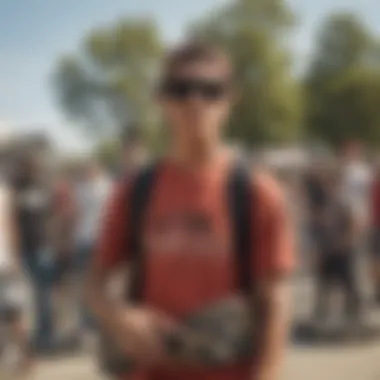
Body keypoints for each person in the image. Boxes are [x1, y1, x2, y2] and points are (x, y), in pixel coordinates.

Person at [86, 41, 294, 380]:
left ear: (230, 101)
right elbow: (95, 282)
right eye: (180, 89)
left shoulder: (258, 192)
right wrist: (118, 316)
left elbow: (276, 299)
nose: (195, 101)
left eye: (211, 90)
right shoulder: (134, 190)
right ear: (162, 100)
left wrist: (269, 373)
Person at [12, 148, 57, 353]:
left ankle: (47, 335)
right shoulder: (17, 187)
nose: (31, 168)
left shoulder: (43, 186)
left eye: (33, 164)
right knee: (28, 296)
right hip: (25, 248)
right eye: (28, 164)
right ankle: (39, 334)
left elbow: (52, 215)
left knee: (44, 293)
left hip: (43, 247)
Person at [314, 167, 361, 325]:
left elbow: (354, 223)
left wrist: (345, 242)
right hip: (328, 248)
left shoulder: (346, 202)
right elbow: (322, 225)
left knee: (349, 282)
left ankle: (354, 312)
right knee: (324, 282)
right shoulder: (327, 202)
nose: (330, 187)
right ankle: (322, 313)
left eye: (333, 184)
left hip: (343, 249)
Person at [0, 151, 33, 373]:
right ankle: (25, 358)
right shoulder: (4, 190)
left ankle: (25, 358)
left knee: (13, 313)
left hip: (5, 261)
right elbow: (12, 226)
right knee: (14, 312)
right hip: (6, 259)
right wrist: (16, 257)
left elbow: (11, 226)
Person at [74, 161, 112, 335]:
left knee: (100, 281)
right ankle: (91, 321)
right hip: (85, 240)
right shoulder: (81, 189)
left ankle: (99, 319)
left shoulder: (107, 187)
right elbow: (74, 215)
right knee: (88, 282)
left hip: (98, 240)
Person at [370, 159, 380, 303]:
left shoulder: (375, 185)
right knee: (376, 260)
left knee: (376, 260)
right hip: (376, 226)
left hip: (376, 226)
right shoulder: (375, 186)